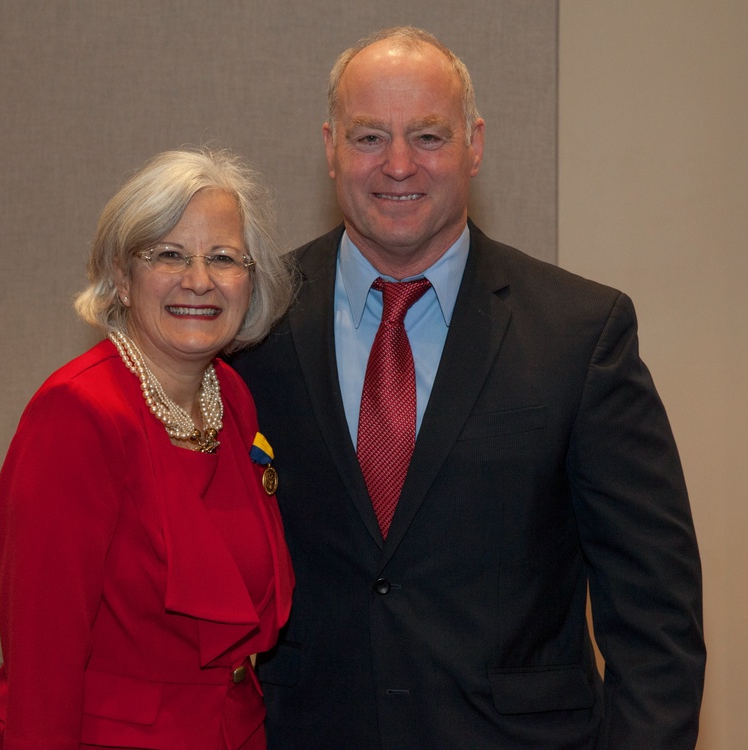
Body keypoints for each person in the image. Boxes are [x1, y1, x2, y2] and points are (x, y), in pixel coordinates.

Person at [233, 26, 706, 749]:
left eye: (427, 135)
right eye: (368, 138)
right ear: (329, 147)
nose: (397, 165)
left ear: (474, 143)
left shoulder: (581, 333)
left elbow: (656, 618)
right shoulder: (253, 326)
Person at [0, 147, 295, 749]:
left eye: (223, 258)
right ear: (121, 277)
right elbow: (43, 663)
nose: (199, 280)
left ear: (249, 281)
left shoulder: (230, 397)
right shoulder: (78, 414)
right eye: (168, 254)